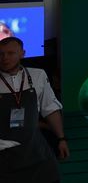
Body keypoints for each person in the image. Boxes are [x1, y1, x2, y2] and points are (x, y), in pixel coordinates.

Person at [0, 37, 67, 182]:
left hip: (37, 153)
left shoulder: (38, 75)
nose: (5, 58)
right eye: (1, 54)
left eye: (10, 53)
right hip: (5, 159)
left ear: (22, 53)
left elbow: (50, 108)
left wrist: (61, 139)